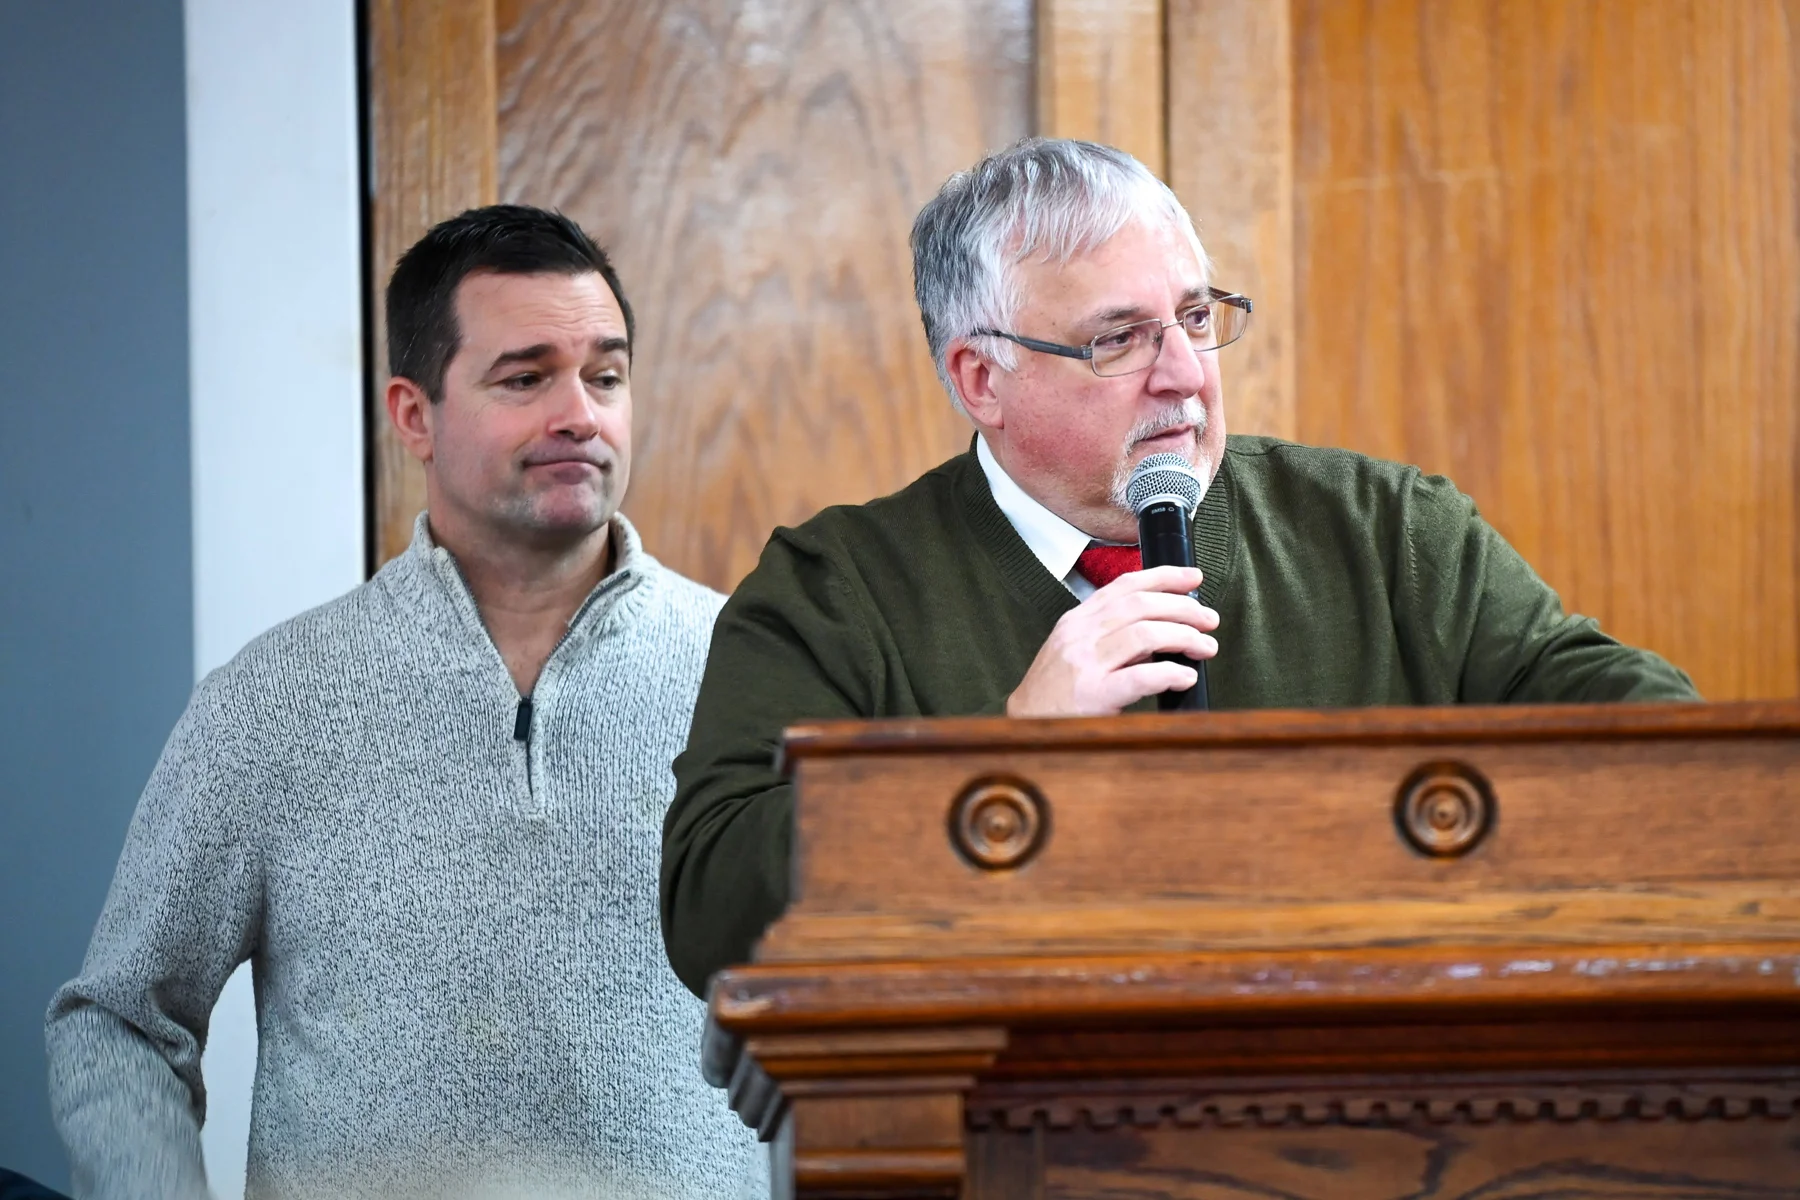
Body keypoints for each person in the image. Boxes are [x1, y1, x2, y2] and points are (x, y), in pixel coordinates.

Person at [659, 137, 1699, 998]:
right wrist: (999, 755)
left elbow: (1664, 752)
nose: (1186, 378)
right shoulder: (835, 590)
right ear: (982, 379)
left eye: (1197, 319)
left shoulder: (1389, 532)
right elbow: (710, 911)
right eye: (1118, 341)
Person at [47, 206, 765, 1199]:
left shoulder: (758, 679)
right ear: (413, 415)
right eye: (526, 378)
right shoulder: (272, 701)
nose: (581, 415)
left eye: (605, 375)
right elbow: (119, 1024)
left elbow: (871, 1014)